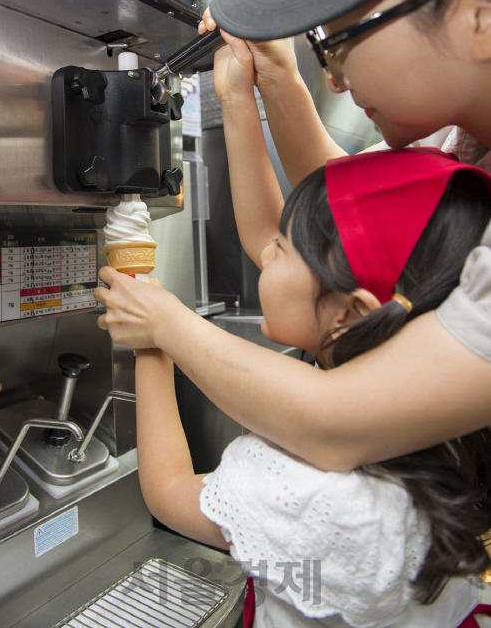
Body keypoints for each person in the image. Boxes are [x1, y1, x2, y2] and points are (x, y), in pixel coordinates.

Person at [94, 0, 491, 476]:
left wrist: (164, 327)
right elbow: (356, 222)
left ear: (479, 17)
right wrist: (273, 75)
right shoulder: (465, 144)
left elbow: (337, 424)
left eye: (340, 32)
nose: (332, 73)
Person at [132, 148, 491, 628]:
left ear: (349, 314)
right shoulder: (450, 416)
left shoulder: (301, 486)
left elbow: (168, 491)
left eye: (280, 247)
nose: (262, 252)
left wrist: (149, 342)